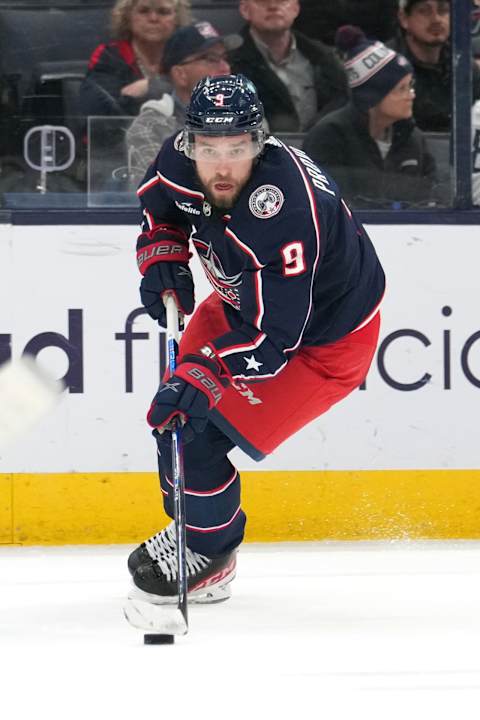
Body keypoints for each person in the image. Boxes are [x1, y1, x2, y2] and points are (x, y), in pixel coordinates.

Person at [126, 74, 385, 602]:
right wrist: (162, 258)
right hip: (240, 306)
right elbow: (160, 215)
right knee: (174, 418)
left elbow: (273, 341)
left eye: (238, 148)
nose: (222, 166)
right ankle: (194, 528)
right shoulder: (179, 163)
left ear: (261, 141)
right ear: (189, 141)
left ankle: (212, 553)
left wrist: (205, 371)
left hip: (322, 345)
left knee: (199, 433)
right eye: (209, 148)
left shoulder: (284, 206)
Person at [303, 26, 437, 209]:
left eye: (410, 86)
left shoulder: (414, 139)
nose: (411, 95)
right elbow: (327, 207)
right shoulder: (328, 137)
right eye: (401, 89)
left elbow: (431, 200)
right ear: (373, 97)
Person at [126, 21, 238, 180]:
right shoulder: (151, 126)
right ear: (180, 74)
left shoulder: (248, 118)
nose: (225, 67)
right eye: (211, 59)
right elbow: (153, 193)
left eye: (224, 58)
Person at [229, 0, 348, 133]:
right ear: (245, 10)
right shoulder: (229, 63)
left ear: (295, 9)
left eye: (282, 1)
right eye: (262, 1)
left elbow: (342, 104)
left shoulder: (324, 58)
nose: (273, 6)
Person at [80, 0, 191, 117]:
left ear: (177, 20)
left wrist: (153, 86)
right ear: (127, 17)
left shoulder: (191, 57)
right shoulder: (108, 56)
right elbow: (98, 110)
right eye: (143, 11)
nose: (153, 18)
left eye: (163, 12)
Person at [388, 0, 480, 132]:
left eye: (443, 10)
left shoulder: (463, 64)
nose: (436, 19)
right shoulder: (387, 67)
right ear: (404, 18)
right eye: (424, 11)